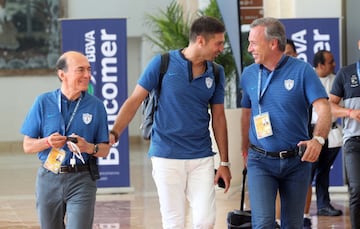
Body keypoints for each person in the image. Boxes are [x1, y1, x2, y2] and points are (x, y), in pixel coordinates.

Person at [109, 16, 231, 228]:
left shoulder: (217, 72)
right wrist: (114, 133)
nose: (221, 48)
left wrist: (224, 162)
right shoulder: (162, 63)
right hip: (166, 155)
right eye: (218, 43)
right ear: (201, 41)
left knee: (206, 220)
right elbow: (135, 100)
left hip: (201, 157)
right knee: (173, 221)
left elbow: (219, 118)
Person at [240, 17, 332, 228]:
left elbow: (323, 107)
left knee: (293, 224)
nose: (249, 48)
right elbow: (246, 113)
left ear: (273, 43)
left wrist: (318, 139)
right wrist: (243, 149)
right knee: (263, 224)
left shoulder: (302, 71)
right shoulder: (249, 74)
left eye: (253, 42)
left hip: (296, 162)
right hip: (260, 160)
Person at [20, 51, 110, 229]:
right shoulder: (43, 102)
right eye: (80, 70)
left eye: (89, 70)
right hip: (49, 177)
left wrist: (88, 147)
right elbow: (27, 145)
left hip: (82, 179)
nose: (87, 75)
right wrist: (47, 142)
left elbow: (105, 149)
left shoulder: (96, 106)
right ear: (62, 74)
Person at [302, 50, 343, 228]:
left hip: (331, 133)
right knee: (306, 173)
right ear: (320, 65)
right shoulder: (307, 77)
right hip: (310, 133)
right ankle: (301, 210)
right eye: (330, 61)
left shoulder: (336, 80)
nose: (334, 64)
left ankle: (323, 205)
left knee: (324, 172)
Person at [329, 40, 360, 229]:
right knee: (357, 189)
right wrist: (351, 113)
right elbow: (330, 106)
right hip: (354, 141)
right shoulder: (346, 73)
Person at [274, 38, 298, 228]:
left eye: (289, 54)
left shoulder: (302, 74)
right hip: (266, 152)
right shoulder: (258, 74)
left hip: (296, 151)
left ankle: (303, 215)